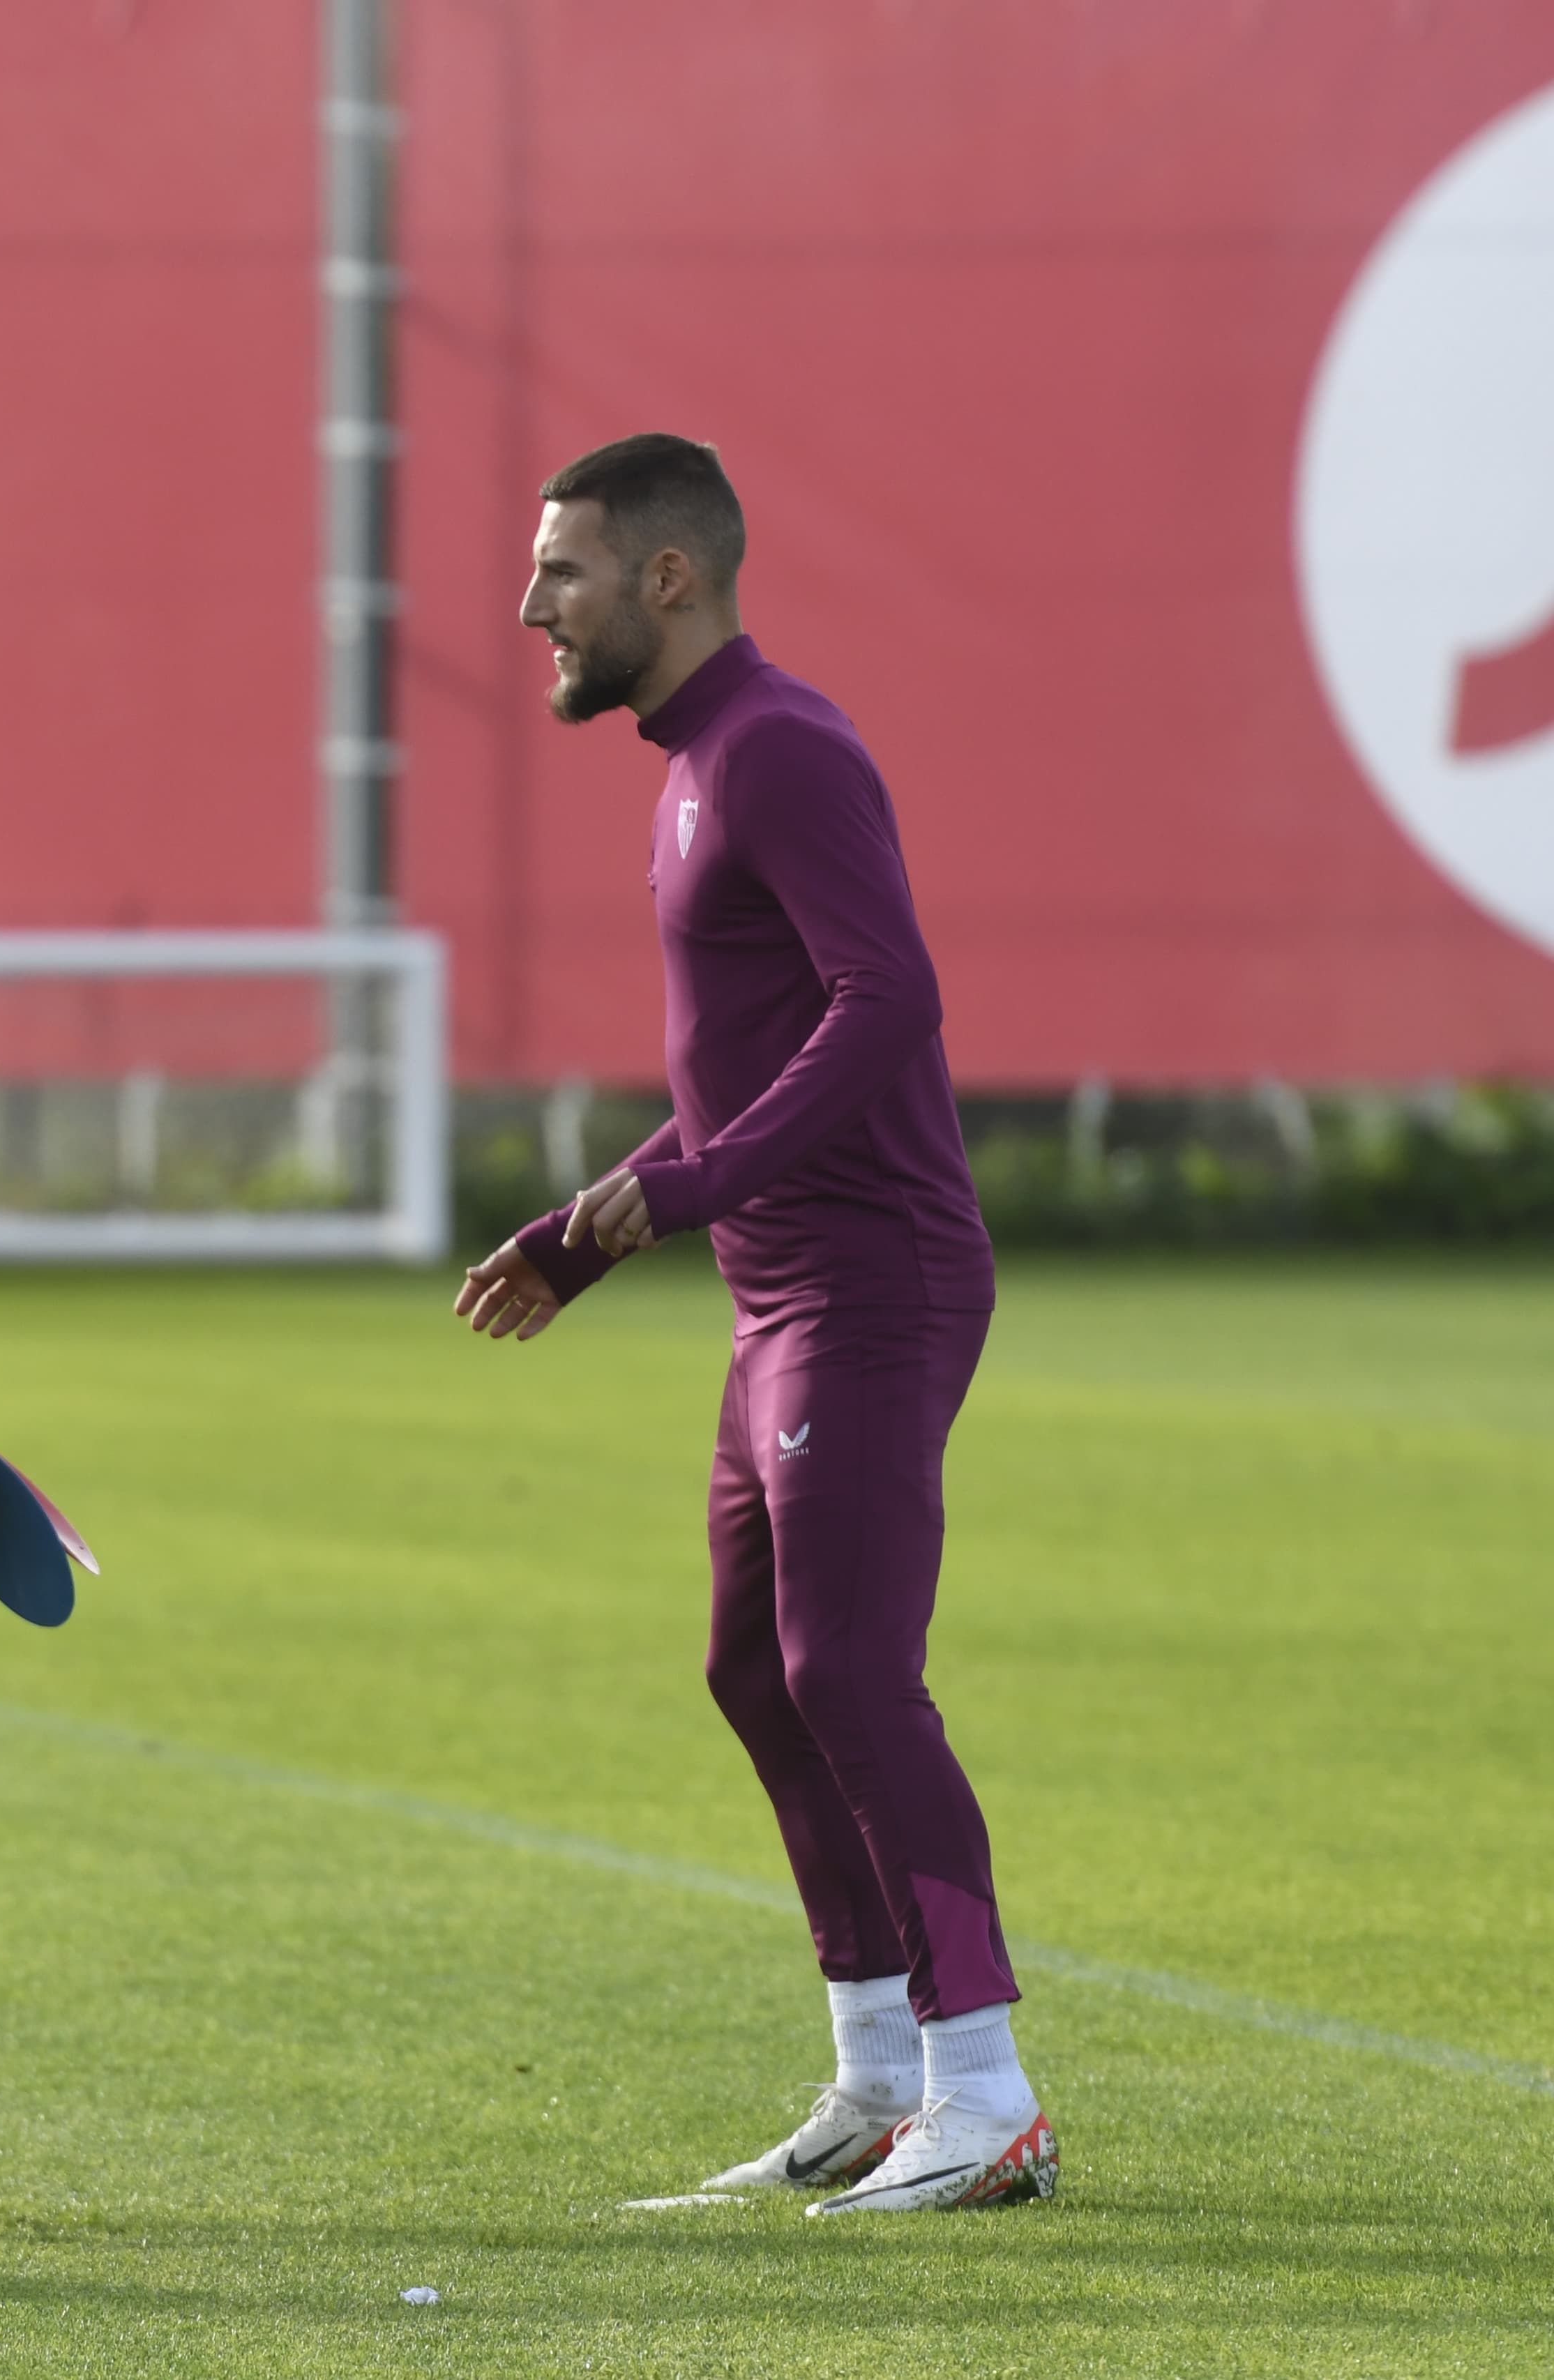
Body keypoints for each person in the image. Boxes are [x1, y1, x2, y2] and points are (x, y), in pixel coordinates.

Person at [455, 437, 1054, 2215]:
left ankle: (987, 2088)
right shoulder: (698, 763)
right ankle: (877, 2074)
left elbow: (890, 1001)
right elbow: (740, 1072)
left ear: (665, 579)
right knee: (751, 1669)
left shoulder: (777, 746)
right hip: (779, 1291)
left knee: (851, 1672)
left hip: (867, 1284)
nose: (526, 606)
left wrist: (699, 1188)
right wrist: (582, 1232)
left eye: (558, 571)